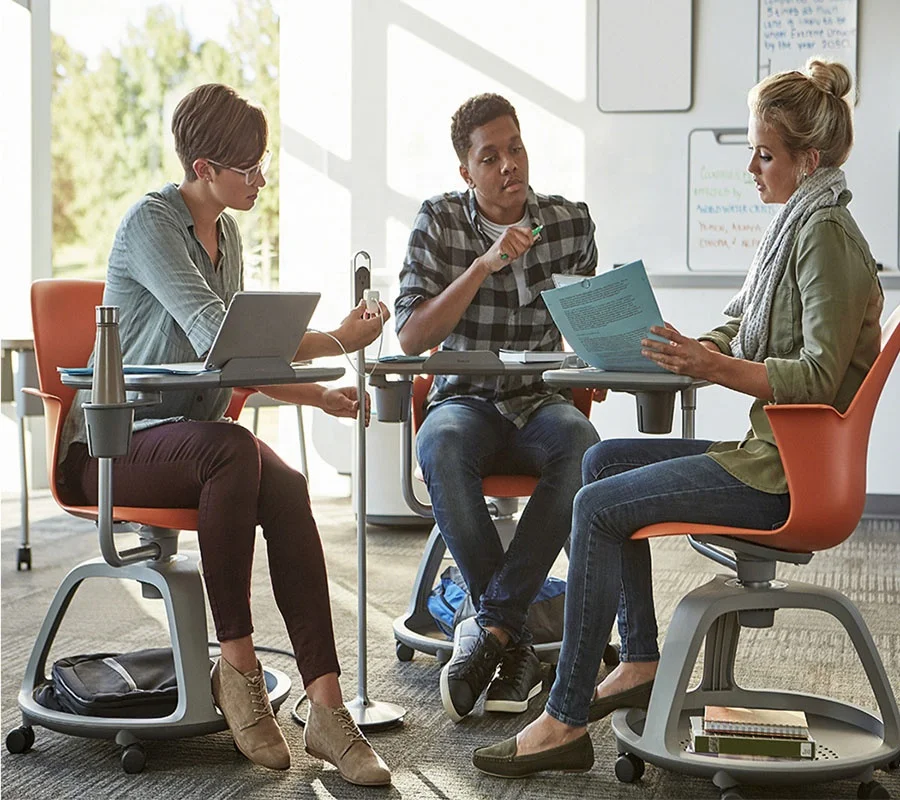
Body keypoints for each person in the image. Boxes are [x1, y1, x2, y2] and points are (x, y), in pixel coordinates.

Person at [473, 58, 884, 777]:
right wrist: (693, 348)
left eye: (764, 153)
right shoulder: (796, 225)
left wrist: (716, 368)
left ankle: (564, 718)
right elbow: (748, 329)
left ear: (807, 160)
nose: (752, 167)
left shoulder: (824, 237)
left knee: (597, 504)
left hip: (791, 475)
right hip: (771, 454)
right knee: (600, 461)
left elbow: (817, 374)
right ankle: (638, 658)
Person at [57, 84, 393, 787]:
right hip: (115, 447)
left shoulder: (228, 235)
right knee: (234, 449)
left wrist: (318, 393)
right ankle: (235, 670)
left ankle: (327, 710)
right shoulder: (152, 225)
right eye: (249, 169)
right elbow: (217, 335)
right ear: (204, 168)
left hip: (193, 443)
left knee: (290, 484)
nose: (261, 180)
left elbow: (236, 352)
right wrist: (337, 335)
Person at [395, 93, 601, 722]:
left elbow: (590, 322)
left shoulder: (568, 223)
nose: (509, 165)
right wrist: (482, 266)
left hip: (539, 402)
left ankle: (493, 633)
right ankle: (513, 642)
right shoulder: (438, 222)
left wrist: (610, 345)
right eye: (491, 157)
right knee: (440, 443)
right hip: (466, 402)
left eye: (516, 149)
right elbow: (409, 337)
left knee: (584, 444)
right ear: (466, 171)